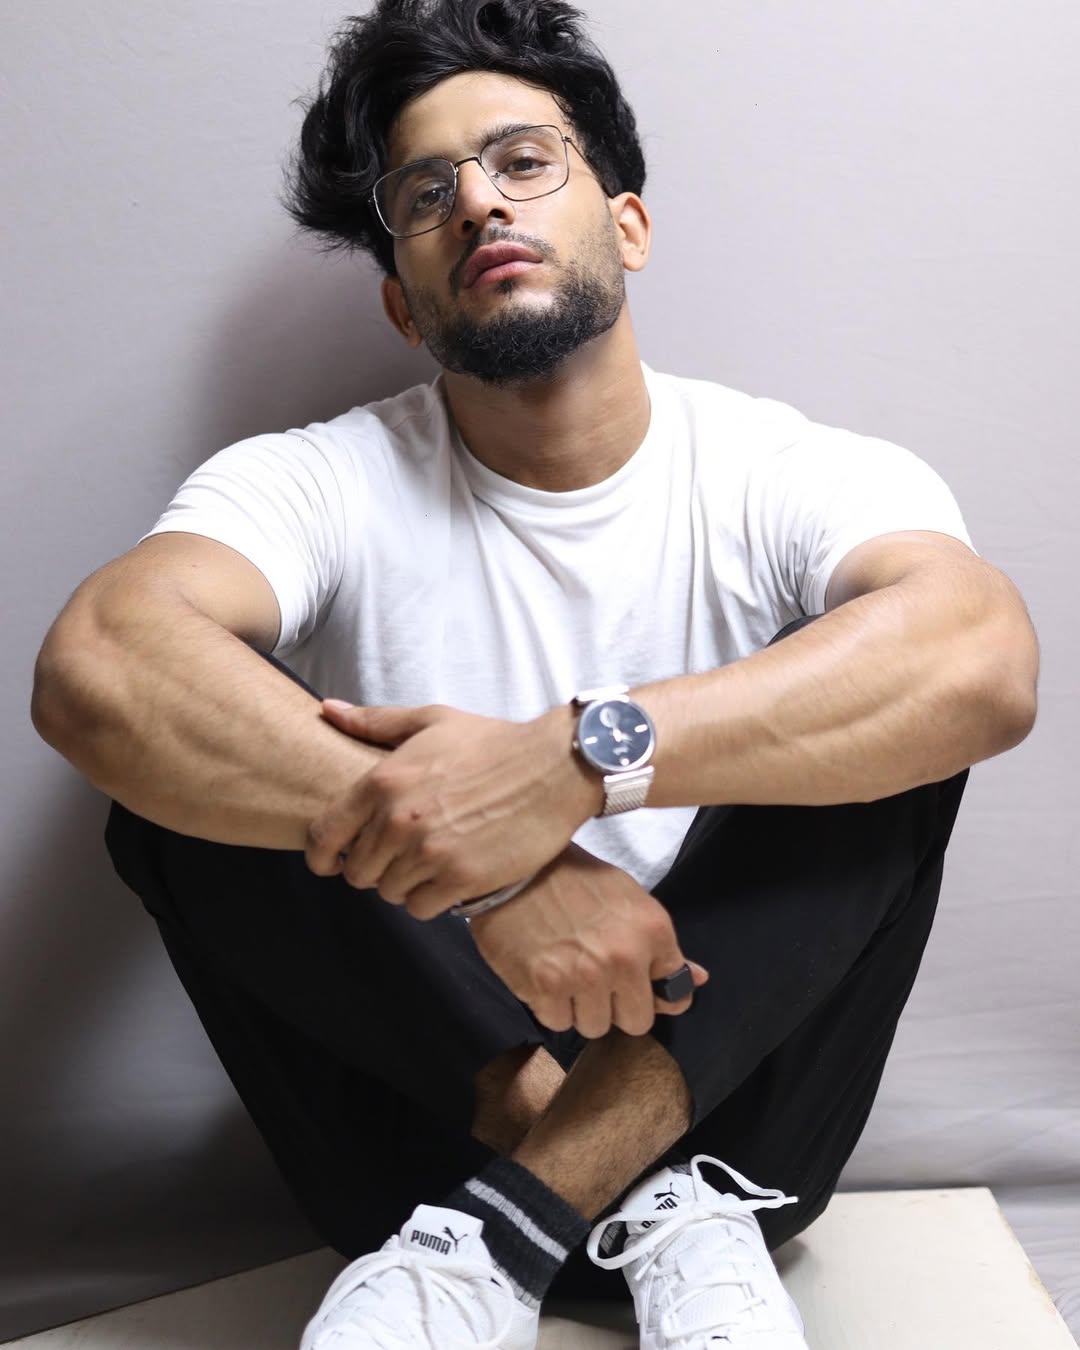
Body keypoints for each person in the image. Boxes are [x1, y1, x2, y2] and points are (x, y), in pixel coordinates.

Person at [31, 1, 1040, 1346]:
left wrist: (572, 763)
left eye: (522, 160)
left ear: (628, 223)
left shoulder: (783, 471)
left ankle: (569, 1206)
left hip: (743, 1134)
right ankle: (602, 1193)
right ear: (403, 301)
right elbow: (99, 664)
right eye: (426, 192)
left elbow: (983, 658)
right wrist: (498, 865)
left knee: (897, 730)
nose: (478, 203)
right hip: (419, 1157)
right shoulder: (317, 481)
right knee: (175, 767)